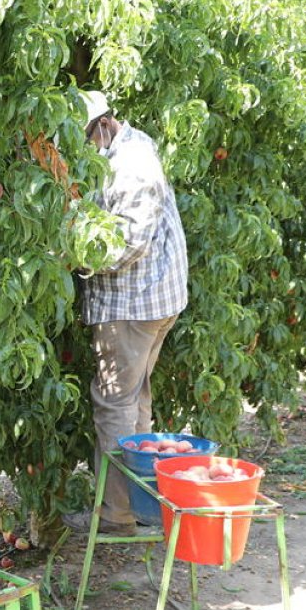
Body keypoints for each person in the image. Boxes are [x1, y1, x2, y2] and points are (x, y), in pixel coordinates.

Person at [62, 91, 190, 536]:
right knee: (135, 400)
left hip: (134, 303)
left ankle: (115, 516)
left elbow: (128, 244)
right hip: (150, 300)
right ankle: (140, 504)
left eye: (82, 138)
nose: (81, 150)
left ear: (103, 126)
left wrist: (71, 254)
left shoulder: (133, 166)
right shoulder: (130, 148)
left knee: (114, 403)